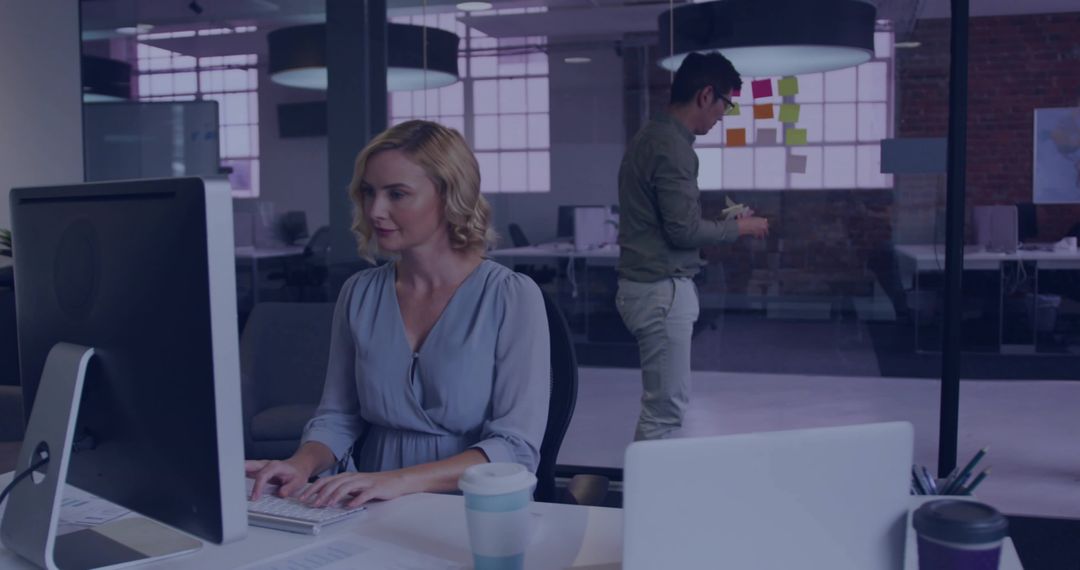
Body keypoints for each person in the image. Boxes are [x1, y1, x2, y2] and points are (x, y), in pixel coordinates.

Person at [246, 120, 550, 508]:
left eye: (397, 194)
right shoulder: (359, 293)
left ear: (449, 195)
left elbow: (516, 446)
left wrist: (397, 481)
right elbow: (337, 417)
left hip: (473, 505)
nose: (375, 210)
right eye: (368, 192)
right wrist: (301, 464)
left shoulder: (511, 297)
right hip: (369, 501)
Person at [616, 52, 769, 441]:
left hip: (648, 287)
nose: (723, 115)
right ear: (706, 95)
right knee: (664, 414)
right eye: (726, 104)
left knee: (663, 408)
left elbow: (673, 219)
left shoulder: (652, 137)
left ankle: (651, 496)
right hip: (660, 290)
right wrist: (742, 229)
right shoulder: (672, 147)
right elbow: (683, 232)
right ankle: (651, 501)